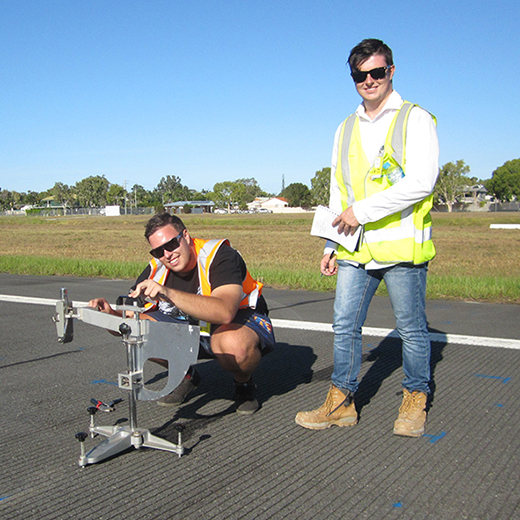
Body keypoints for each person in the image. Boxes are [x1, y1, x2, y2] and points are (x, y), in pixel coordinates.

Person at [295, 38, 439, 437]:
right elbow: (339, 192)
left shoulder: (415, 119)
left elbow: (422, 183)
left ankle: (415, 397)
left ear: (391, 71)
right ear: (353, 77)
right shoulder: (345, 128)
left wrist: (363, 212)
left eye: (377, 72)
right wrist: (331, 242)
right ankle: (341, 403)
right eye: (361, 75)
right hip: (355, 248)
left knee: (410, 328)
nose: (369, 80)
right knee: (344, 326)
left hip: (400, 246)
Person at [89, 213, 275, 415]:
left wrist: (168, 293)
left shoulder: (219, 255)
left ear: (185, 236)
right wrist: (112, 317)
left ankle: (243, 383)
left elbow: (225, 312)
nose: (167, 254)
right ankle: (185, 376)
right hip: (194, 326)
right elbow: (130, 321)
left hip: (237, 320)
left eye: (171, 245)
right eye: (159, 251)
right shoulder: (155, 269)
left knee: (233, 344)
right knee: (138, 331)